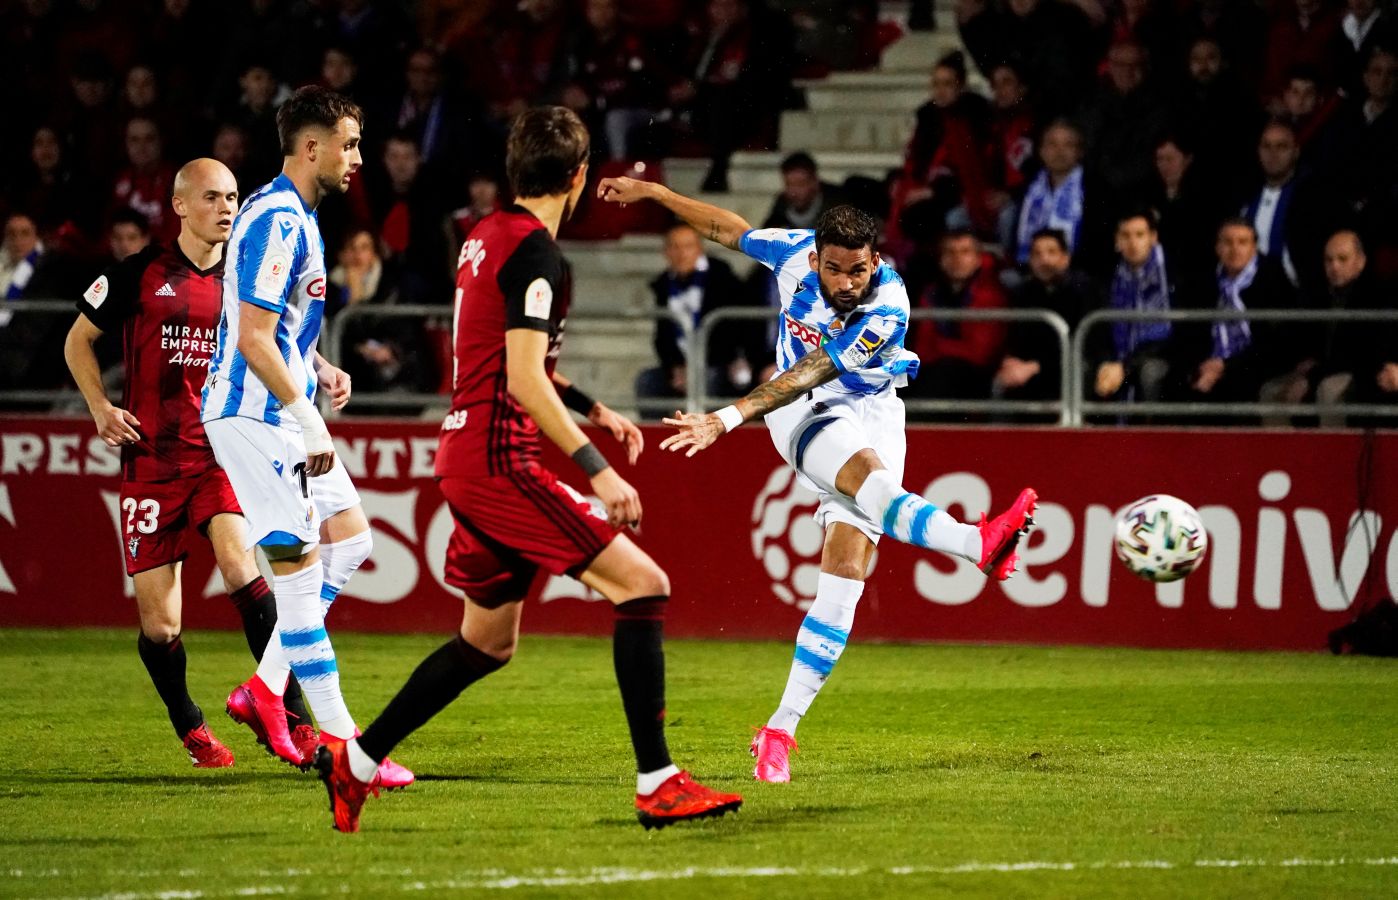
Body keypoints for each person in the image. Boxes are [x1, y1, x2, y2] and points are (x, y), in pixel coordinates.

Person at [314, 107, 743, 833]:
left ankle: (355, 763)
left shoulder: (486, 237)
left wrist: (593, 403)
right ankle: (659, 780)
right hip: (495, 460)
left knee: (487, 641)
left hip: (464, 452)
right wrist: (598, 469)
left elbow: (504, 355)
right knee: (644, 586)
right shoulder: (540, 255)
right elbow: (521, 378)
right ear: (579, 178)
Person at [595, 176, 1038, 783]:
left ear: (875, 259)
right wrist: (656, 195)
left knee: (845, 578)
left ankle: (779, 730)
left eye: (857, 270)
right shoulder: (792, 252)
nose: (847, 282)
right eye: (835, 270)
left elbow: (817, 363)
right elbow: (729, 229)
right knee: (874, 488)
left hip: (872, 407)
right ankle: (975, 544)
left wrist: (725, 417)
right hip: (802, 413)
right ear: (817, 258)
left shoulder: (888, 305)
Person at [62, 158, 313, 768]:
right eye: (212, 198)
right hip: (151, 462)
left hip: (220, 453)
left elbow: (278, 342)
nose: (227, 208)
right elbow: (77, 341)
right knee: (162, 627)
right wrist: (99, 406)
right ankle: (189, 723)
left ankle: (292, 718)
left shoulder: (243, 277)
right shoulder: (140, 273)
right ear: (178, 206)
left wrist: (323, 370)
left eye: (232, 197)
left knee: (240, 565)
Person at [200, 86, 412, 787]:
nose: (358, 159)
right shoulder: (279, 221)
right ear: (312, 146)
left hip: (281, 408)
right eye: (349, 144)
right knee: (297, 586)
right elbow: (254, 339)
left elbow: (270, 326)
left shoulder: (295, 216)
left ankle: (264, 690)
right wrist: (310, 416)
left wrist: (318, 365)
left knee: (352, 542)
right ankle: (349, 749)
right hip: (256, 419)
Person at [634, 223, 755, 415]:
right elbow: (662, 337)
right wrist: (675, 367)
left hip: (718, 363)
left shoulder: (723, 278)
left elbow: (737, 329)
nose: (681, 253)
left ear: (700, 249)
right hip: (681, 365)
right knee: (647, 381)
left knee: (708, 381)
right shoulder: (663, 285)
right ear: (665, 252)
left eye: (688, 246)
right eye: (675, 247)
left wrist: (703, 366)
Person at [996, 228, 1100, 412]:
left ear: (1065, 257)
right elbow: (1015, 337)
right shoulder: (1022, 293)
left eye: (1051, 252)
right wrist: (1010, 359)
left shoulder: (1083, 290)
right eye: (1037, 254)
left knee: (1080, 369)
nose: (1044, 260)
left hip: (1066, 365)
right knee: (1001, 381)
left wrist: (1035, 366)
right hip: (1030, 368)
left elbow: (1084, 343)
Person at [1095, 210, 1175, 411]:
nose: (1132, 243)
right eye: (1125, 235)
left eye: (1139, 235)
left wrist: (1126, 366)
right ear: (1117, 240)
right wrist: (1107, 362)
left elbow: (1171, 335)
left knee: (1151, 372)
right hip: (1118, 359)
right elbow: (1098, 329)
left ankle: (1155, 439)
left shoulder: (1172, 276)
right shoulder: (1108, 278)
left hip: (1161, 356)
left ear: (1153, 238)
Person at [763, 152, 846, 231]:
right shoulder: (781, 205)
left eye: (800, 184)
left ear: (815, 183)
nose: (794, 191)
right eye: (789, 184)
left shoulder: (837, 205)